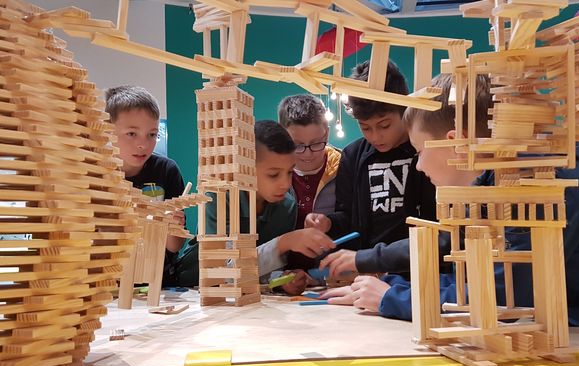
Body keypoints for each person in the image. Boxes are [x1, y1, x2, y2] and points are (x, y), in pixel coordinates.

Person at [323, 73, 579, 327]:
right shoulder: (498, 184)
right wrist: (392, 285)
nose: (419, 166)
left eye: (419, 152)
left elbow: (506, 298)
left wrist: (394, 297)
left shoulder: (533, 183)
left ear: (455, 143)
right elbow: (482, 279)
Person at [305, 60, 437, 278]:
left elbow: (436, 226)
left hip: (421, 271)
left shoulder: (425, 151)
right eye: (365, 127)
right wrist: (328, 222)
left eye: (384, 125)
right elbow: (348, 217)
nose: (375, 136)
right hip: (367, 272)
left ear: (403, 109)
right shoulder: (352, 155)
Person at [174, 120, 335, 294]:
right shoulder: (219, 196)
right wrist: (283, 243)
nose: (285, 183)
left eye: (290, 172)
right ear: (246, 170)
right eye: (273, 175)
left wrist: (281, 280)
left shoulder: (287, 207)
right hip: (191, 290)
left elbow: (261, 271)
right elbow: (224, 269)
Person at [106, 85, 185, 283]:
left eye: (152, 134)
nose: (143, 144)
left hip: (159, 282)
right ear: (107, 130)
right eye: (132, 134)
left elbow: (174, 246)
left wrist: (172, 226)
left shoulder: (167, 171)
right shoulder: (95, 174)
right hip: (107, 284)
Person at [277, 94, 341, 272]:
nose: (307, 154)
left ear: (326, 132)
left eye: (316, 143)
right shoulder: (269, 173)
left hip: (329, 279)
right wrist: (277, 278)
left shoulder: (345, 168)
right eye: (297, 145)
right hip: (278, 281)